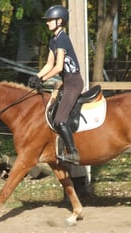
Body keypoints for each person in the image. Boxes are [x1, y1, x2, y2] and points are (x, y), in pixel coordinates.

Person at [28, 5, 83, 165]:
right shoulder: (54, 40)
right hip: (66, 83)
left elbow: (59, 67)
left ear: (60, 21)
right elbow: (49, 64)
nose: (47, 23)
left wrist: (43, 80)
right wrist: (37, 76)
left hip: (74, 83)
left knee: (59, 120)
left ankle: (73, 153)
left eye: (50, 20)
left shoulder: (63, 39)